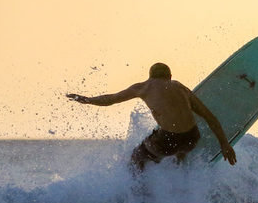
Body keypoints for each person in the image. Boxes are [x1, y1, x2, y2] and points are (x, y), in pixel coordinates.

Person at [67, 63, 237, 173]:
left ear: (150, 76)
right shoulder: (180, 87)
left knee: (137, 157)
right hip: (192, 138)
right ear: (170, 76)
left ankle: (137, 192)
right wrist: (224, 143)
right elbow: (209, 116)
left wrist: (86, 100)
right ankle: (179, 171)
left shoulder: (144, 87)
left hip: (168, 141)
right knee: (180, 148)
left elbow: (110, 100)